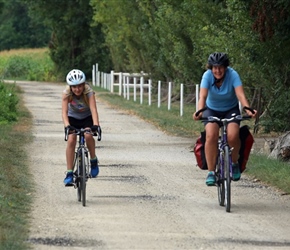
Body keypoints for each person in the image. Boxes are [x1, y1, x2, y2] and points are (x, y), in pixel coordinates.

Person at [193, 52, 257, 186]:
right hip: (211, 109)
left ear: (226, 67)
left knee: (233, 136)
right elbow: (203, 96)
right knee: (211, 135)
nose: (217, 70)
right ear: (210, 68)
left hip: (230, 110)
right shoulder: (207, 76)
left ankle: (234, 163)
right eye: (214, 67)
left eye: (221, 67)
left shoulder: (233, 75)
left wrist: (247, 109)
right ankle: (211, 172)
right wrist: (199, 111)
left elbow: (240, 95)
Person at [62, 69, 101, 186]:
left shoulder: (89, 92)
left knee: (88, 135)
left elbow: (93, 109)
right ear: (70, 86)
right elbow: (64, 112)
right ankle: (69, 173)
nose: (77, 89)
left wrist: (96, 125)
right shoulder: (66, 93)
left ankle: (93, 160)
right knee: (71, 139)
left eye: (79, 86)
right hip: (72, 118)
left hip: (87, 118)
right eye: (74, 87)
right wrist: (67, 126)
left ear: (84, 85)